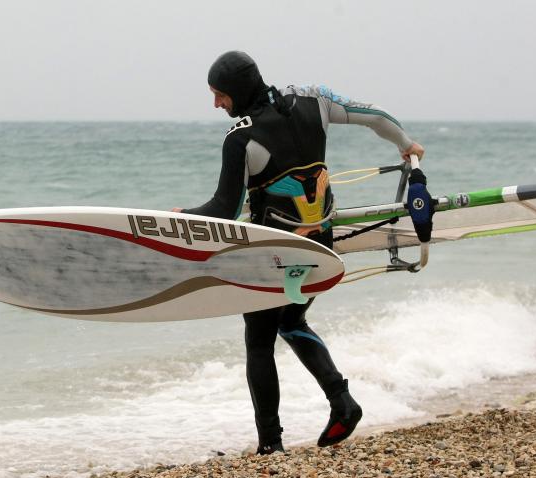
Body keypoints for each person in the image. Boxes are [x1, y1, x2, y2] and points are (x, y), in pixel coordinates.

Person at [174, 51, 425, 454]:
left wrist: (180, 217)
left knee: (258, 343)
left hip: (271, 255)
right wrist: (406, 144)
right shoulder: (315, 101)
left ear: (235, 92)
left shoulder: (241, 137)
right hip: (318, 246)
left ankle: (271, 445)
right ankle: (342, 402)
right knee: (291, 322)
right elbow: (375, 115)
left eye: (219, 95)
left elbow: (224, 208)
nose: (217, 104)